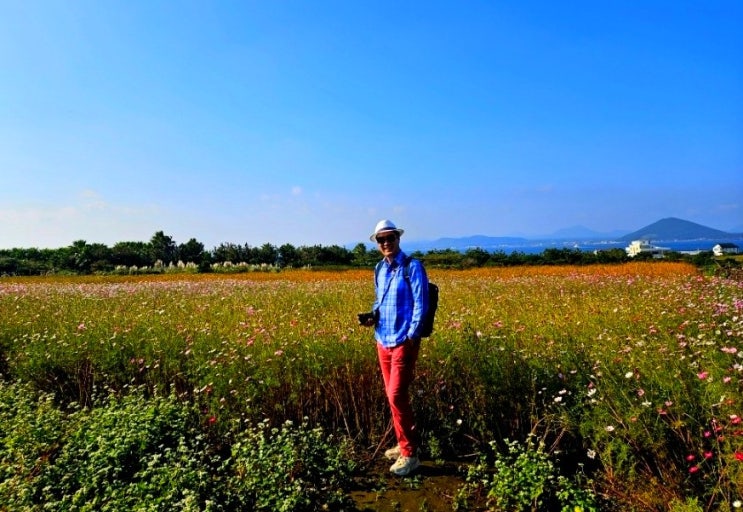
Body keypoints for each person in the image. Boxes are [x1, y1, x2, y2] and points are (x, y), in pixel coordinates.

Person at [361, 219, 429, 476]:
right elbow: (379, 301)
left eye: (390, 237)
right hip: (383, 339)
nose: (386, 242)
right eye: (381, 239)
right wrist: (372, 317)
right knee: (393, 396)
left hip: (403, 340)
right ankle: (403, 444)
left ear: (398, 239)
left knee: (396, 396)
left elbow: (421, 304)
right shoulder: (379, 268)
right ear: (377, 243)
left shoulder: (413, 267)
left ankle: (410, 455)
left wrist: (412, 336)